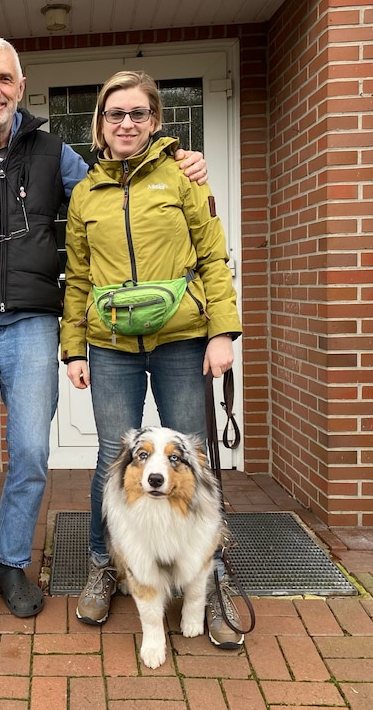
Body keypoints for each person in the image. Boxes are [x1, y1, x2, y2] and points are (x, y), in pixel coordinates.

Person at [0, 38, 208, 644]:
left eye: (4, 78)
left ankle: (12, 564)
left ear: (20, 86)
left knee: (29, 457)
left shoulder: (53, 154)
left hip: (35, 322)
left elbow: (114, 189)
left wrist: (179, 165)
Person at [59, 70, 245, 649]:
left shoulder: (182, 178)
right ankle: (103, 562)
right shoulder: (86, 193)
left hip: (183, 338)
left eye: (138, 114)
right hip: (111, 345)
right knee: (112, 461)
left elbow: (214, 256)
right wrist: (73, 348)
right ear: (100, 124)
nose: (127, 124)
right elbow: (78, 278)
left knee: (194, 457)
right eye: (116, 114)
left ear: (155, 121)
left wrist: (223, 333)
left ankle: (209, 581)